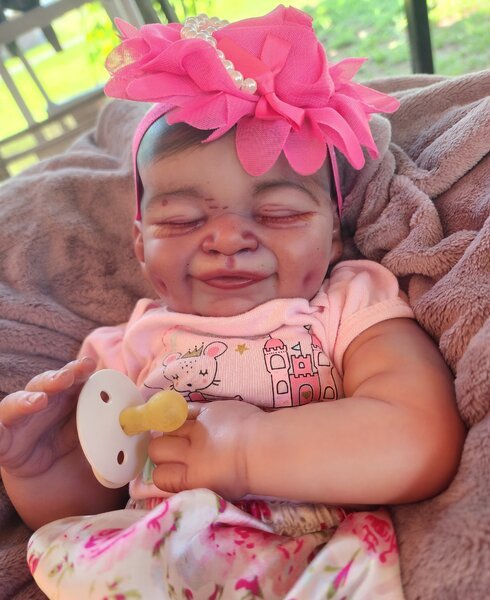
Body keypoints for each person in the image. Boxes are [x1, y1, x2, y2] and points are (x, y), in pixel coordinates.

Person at [0, 5, 464, 599]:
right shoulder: (126, 349)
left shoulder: (348, 306)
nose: (226, 239)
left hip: (312, 562)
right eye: (182, 220)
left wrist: (245, 452)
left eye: (279, 213)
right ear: (141, 245)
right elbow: (90, 507)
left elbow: (421, 438)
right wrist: (40, 470)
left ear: (333, 236)